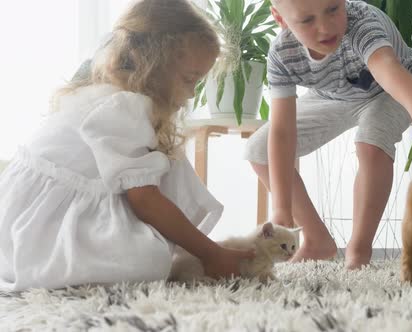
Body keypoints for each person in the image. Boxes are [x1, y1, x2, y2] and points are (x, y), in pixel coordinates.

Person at [0, 0, 253, 292]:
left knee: (167, 163)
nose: (191, 93)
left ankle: (190, 244)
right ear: (155, 64)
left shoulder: (103, 93)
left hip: (18, 222)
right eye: (189, 79)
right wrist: (211, 254)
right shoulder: (125, 107)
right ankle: (195, 248)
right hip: (35, 236)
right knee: (147, 260)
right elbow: (144, 198)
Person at [244, 0, 412, 269]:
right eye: (307, 21)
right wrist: (281, 209)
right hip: (332, 97)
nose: (325, 27)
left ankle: (358, 251)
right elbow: (282, 131)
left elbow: (386, 66)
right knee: (259, 149)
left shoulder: (361, 21)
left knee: (370, 143)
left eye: (333, 9)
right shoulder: (282, 53)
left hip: (390, 92)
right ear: (280, 18)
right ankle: (316, 240)